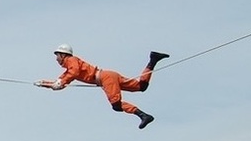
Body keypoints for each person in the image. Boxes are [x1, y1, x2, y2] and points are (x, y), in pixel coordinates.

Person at [35, 44, 169, 129]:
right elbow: (62, 82)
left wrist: (60, 82)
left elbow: (71, 73)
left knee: (116, 105)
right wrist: (45, 84)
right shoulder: (69, 68)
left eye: (57, 56)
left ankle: (143, 115)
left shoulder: (71, 60)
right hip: (108, 75)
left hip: (105, 78)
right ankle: (153, 60)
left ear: (63, 55)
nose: (56, 59)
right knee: (141, 86)